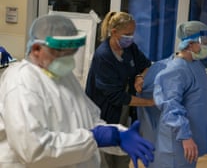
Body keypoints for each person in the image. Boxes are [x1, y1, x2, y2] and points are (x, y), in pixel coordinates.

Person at [0, 14, 154, 168]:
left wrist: (118, 135)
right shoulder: (21, 82)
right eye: (61, 53)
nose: (68, 58)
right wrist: (94, 138)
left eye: (71, 52)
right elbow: (33, 149)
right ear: (36, 49)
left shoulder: (64, 77)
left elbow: (90, 121)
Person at [139, 20, 207, 168]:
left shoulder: (195, 64)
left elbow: (199, 88)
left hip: (194, 134)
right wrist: (185, 136)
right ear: (190, 43)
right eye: (204, 42)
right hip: (178, 141)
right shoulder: (175, 70)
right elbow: (170, 106)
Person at [85, 11, 154, 168]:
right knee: (105, 159)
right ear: (114, 32)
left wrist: (140, 77)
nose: (130, 38)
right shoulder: (103, 56)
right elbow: (116, 96)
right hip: (104, 112)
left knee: (123, 155)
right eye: (127, 34)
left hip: (123, 110)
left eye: (132, 34)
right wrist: (149, 102)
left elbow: (146, 65)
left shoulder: (130, 48)